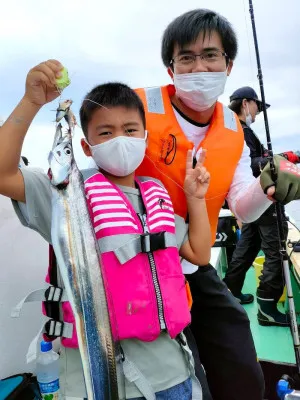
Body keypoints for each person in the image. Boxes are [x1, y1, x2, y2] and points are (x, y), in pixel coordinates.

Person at [0, 60, 213, 399]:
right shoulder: (65, 192)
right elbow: (2, 173)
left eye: (130, 130)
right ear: (86, 147)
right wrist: (31, 102)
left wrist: (195, 199)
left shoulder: (154, 195)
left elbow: (199, 253)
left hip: (170, 372)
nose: (120, 139)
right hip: (95, 377)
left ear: (144, 137)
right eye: (105, 132)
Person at [135, 9, 300, 400]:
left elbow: (242, 207)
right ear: (170, 67)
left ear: (228, 65)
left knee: (240, 363)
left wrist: (271, 186)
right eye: (186, 57)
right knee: (182, 375)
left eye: (210, 55)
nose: (199, 66)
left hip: (194, 262)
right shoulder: (136, 109)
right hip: (143, 269)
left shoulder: (232, 130)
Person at [223, 86, 300, 326]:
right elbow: (249, 165)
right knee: (276, 250)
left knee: (246, 248)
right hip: (263, 200)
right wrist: (281, 159)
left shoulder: (234, 129)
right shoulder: (240, 131)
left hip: (250, 202)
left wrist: (281, 157)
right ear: (246, 103)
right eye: (257, 106)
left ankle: (230, 292)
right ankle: (266, 306)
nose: (258, 112)